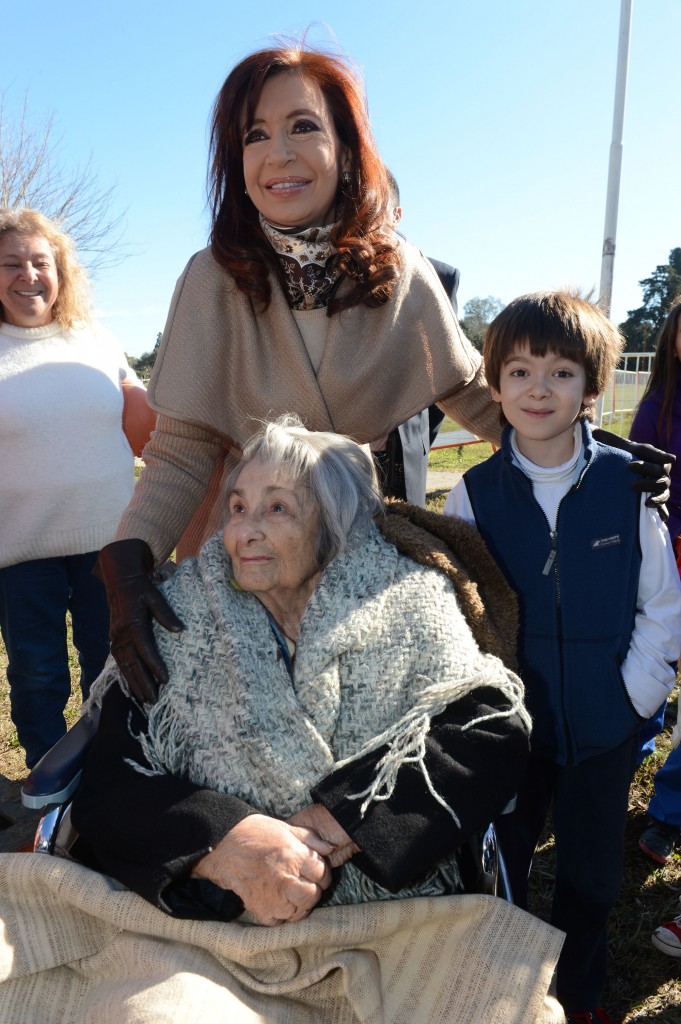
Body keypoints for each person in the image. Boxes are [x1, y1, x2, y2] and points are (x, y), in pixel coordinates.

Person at [92, 42, 670, 706]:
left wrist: (594, 458)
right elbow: (181, 452)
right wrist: (127, 569)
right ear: (236, 161)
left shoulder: (398, 269)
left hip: (358, 552)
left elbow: (476, 395)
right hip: (242, 554)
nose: (278, 151)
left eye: (302, 126)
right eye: (254, 135)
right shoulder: (209, 278)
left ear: (345, 147)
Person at [0, 418, 565, 1023]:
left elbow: (490, 733)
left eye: (276, 509)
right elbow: (113, 779)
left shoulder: (409, 597)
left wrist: (336, 824)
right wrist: (226, 842)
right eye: (238, 507)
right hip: (205, 931)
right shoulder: (178, 612)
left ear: (334, 523)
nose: (244, 531)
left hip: (391, 923)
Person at [444, 291, 681, 1024]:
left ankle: (578, 997)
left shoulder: (628, 486)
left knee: (589, 877)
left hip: (604, 727)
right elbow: (459, 614)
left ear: (591, 387)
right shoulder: (472, 495)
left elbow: (661, 604)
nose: (538, 389)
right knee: (504, 865)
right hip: (511, 731)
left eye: (559, 372)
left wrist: (632, 695)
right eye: (517, 371)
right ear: (493, 385)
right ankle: (508, 996)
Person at [0, 208, 153, 769]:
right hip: (20, 552)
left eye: (40, 262)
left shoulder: (95, 337)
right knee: (38, 675)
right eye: (11, 263)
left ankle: (116, 768)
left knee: (113, 664)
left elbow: (143, 413)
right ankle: (48, 778)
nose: (28, 275)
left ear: (60, 271)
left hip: (110, 542)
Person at [370, 168, 460, 504]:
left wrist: (417, 438)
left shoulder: (438, 276)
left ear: (396, 215)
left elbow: (446, 373)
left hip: (406, 451)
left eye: (375, 209)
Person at [629, 299, 681, 863]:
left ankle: (668, 810)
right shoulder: (658, 404)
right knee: (656, 656)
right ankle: (636, 747)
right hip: (666, 546)